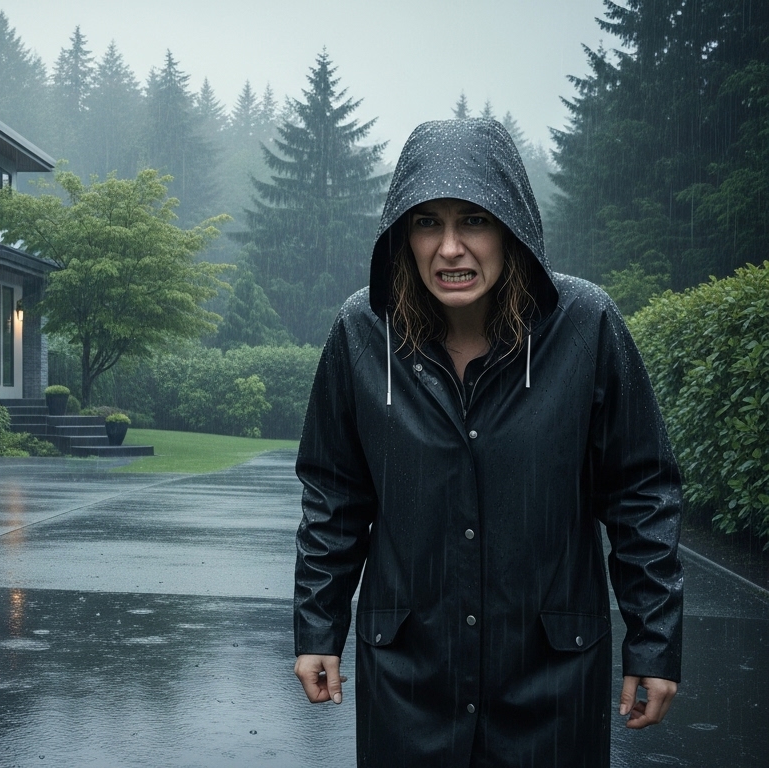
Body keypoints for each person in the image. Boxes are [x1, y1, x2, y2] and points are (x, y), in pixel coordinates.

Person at [291, 118, 683, 767]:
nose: (450, 247)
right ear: (401, 236)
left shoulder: (588, 326)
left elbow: (642, 495)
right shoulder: (361, 333)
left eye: (473, 219)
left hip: (550, 683)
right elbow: (335, 495)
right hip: (409, 678)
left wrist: (654, 643)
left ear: (511, 227)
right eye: (426, 223)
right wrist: (317, 628)